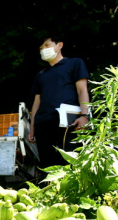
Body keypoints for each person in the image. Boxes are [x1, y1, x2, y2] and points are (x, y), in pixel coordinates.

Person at [29, 35, 90, 169]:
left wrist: (85, 116)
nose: (43, 49)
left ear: (60, 45)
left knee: (72, 160)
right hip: (43, 123)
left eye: (47, 45)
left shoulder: (74, 63)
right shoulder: (41, 74)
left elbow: (82, 91)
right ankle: (48, 189)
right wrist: (32, 128)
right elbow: (36, 102)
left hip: (69, 120)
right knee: (47, 164)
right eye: (41, 48)